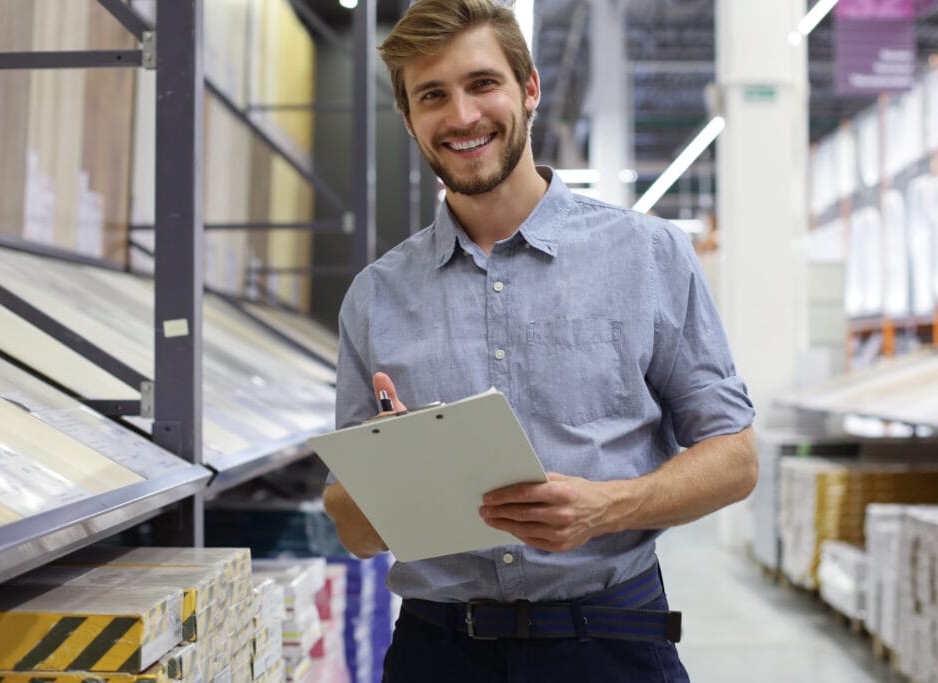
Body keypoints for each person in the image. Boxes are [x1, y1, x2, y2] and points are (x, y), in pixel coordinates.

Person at [322, 1, 758, 680]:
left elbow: (735, 456)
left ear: (528, 89)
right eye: (432, 95)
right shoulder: (376, 298)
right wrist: (395, 473)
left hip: (612, 640)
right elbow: (350, 528)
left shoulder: (648, 256)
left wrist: (609, 507)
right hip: (439, 653)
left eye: (482, 84)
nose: (462, 116)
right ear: (408, 120)